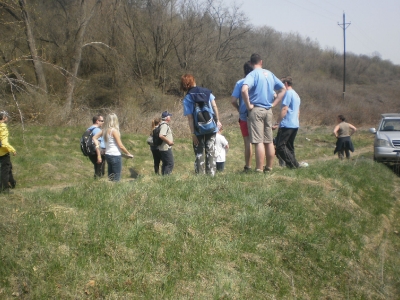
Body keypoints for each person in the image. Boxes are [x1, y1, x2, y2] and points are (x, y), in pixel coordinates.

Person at [241, 53, 286, 173]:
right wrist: (274, 103)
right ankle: (269, 167)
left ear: (251, 64)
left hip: (256, 110)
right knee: (269, 141)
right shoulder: (270, 74)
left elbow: (244, 89)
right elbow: (283, 89)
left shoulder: (252, 74)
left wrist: (248, 105)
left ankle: (259, 169)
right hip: (268, 110)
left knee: (258, 141)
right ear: (261, 62)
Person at [181, 74, 222, 176]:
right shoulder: (207, 92)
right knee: (210, 149)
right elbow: (214, 106)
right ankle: (211, 174)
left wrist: (193, 134)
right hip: (211, 126)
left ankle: (200, 176)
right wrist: (218, 121)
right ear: (193, 81)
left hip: (198, 128)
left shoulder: (188, 97)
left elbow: (190, 118)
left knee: (199, 152)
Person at [272, 76, 307, 168]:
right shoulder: (296, 94)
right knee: (289, 146)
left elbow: (284, 109)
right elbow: (298, 111)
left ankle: (294, 165)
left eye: (281, 85)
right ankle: (292, 165)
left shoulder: (288, 93)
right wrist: (295, 121)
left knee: (280, 146)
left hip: (287, 124)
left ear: (286, 84)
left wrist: (277, 123)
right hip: (294, 124)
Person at [93, 113, 133, 181]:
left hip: (108, 154)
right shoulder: (114, 131)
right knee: (116, 178)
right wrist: (128, 153)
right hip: (115, 155)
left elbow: (94, 138)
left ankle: (110, 189)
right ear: (115, 121)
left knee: (110, 176)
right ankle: (115, 189)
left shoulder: (104, 130)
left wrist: (97, 145)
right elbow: (120, 145)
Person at [231, 61, 254, 172]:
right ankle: (262, 166)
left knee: (247, 141)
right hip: (258, 112)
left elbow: (233, 100)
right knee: (262, 141)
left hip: (245, 115)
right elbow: (273, 95)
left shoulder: (240, 83)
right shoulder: (259, 81)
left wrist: (239, 108)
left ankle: (248, 166)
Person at [0, 111, 16, 193]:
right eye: (6, 116)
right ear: (3, 118)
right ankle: (4, 188)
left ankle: (12, 183)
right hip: (3, 153)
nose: (7, 117)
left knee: (9, 166)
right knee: (5, 170)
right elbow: (4, 143)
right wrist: (13, 150)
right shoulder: (2, 127)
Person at [158, 111, 174, 175]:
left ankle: (164, 178)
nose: (170, 117)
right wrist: (169, 142)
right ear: (167, 117)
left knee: (165, 163)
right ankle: (166, 178)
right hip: (165, 147)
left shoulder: (162, 124)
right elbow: (161, 135)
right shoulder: (164, 125)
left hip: (163, 147)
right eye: (169, 116)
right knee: (170, 163)